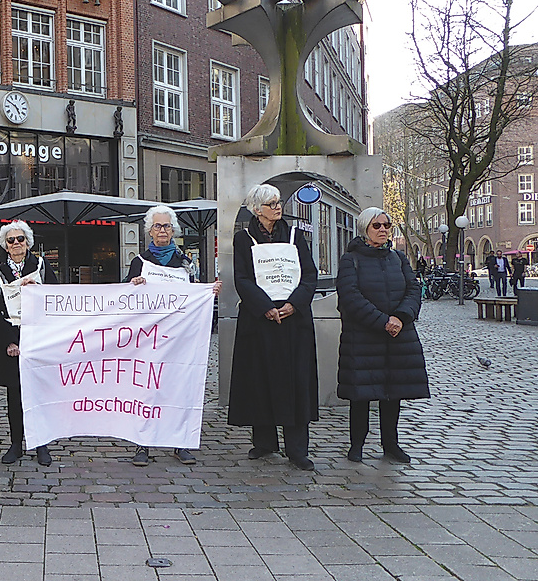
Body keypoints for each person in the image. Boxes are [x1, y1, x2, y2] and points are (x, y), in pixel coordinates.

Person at [226, 185, 320, 471]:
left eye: (278, 202)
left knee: (296, 382)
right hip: (259, 320)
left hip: (294, 319)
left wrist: (294, 304)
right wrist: (264, 306)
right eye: (270, 203)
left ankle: (297, 449)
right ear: (257, 209)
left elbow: (309, 274)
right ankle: (264, 441)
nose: (277, 208)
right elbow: (242, 278)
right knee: (260, 379)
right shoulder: (243, 239)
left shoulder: (295, 236)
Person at [125, 205, 222, 467]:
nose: (162, 231)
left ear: (174, 230)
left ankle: (180, 443)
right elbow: (123, 300)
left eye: (167, 226)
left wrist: (208, 292)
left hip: (179, 338)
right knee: (145, 391)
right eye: (157, 226)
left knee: (178, 389)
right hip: (148, 339)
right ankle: (142, 443)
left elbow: (194, 296)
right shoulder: (140, 262)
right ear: (149, 231)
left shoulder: (185, 262)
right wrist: (133, 285)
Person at [336, 207, 429, 464]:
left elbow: (413, 288)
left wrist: (400, 317)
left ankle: (391, 444)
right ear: (365, 229)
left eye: (386, 225)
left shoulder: (399, 258)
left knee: (393, 392)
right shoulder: (350, 260)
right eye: (376, 225)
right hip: (364, 337)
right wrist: (382, 321)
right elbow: (351, 297)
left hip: (398, 335)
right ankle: (357, 444)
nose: (382, 230)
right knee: (361, 394)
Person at [0, 220, 58, 466]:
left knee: (38, 394)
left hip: (38, 337)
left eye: (20, 239)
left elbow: (56, 298)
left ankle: (41, 444)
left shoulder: (40, 265)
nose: (16, 244)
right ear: (5, 246)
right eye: (11, 240)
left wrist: (38, 288)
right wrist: (9, 341)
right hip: (11, 339)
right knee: (14, 395)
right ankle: (16, 443)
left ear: (28, 242)